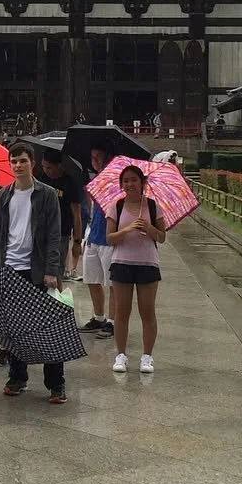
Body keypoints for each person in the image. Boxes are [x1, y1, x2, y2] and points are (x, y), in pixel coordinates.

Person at [0, 142, 65, 402]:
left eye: (22, 160)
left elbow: (54, 236)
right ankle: (17, 376)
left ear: (32, 163)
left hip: (37, 270)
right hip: (10, 267)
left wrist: (52, 271)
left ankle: (56, 383)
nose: (18, 166)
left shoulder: (47, 194)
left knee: (47, 330)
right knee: (14, 330)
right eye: (13, 161)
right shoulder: (3, 196)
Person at [106, 165, 166, 374]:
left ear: (143, 183)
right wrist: (128, 229)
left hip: (147, 264)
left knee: (147, 311)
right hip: (122, 262)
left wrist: (149, 228)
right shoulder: (117, 206)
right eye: (126, 181)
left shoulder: (152, 206)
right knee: (122, 311)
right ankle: (120, 355)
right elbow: (109, 238)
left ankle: (147, 356)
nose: (129, 184)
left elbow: (162, 236)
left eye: (133, 180)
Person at [79, 144, 115, 339]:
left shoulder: (116, 178)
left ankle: (112, 321)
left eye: (98, 157)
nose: (95, 161)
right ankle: (98, 316)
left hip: (110, 239)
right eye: (92, 157)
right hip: (93, 234)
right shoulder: (96, 178)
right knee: (92, 279)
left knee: (113, 283)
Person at [39, 150, 83, 283]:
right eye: (43, 167)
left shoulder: (69, 183)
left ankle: (57, 300)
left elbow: (76, 213)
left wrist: (77, 241)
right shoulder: (41, 179)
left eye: (49, 168)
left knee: (56, 272)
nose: (46, 170)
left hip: (61, 232)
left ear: (59, 166)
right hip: (41, 231)